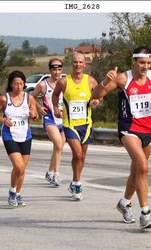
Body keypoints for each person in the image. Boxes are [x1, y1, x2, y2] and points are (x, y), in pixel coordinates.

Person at [91, 46, 151, 229]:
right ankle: (145, 213)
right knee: (143, 167)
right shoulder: (123, 78)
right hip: (129, 129)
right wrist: (105, 81)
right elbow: (97, 95)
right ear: (134, 62)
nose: (145, 66)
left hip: (149, 131)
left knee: (136, 171)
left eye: (148, 63)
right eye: (142, 63)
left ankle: (124, 202)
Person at [52, 52, 101, 200]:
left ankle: (74, 180)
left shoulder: (91, 81)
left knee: (81, 157)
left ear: (85, 64)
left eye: (81, 62)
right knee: (78, 154)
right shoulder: (64, 82)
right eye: (75, 62)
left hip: (86, 124)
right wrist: (55, 107)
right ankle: (78, 184)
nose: (78, 65)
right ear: (72, 64)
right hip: (70, 124)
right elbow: (55, 95)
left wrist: (96, 101)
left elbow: (99, 94)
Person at [0, 70, 38, 207]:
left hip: (25, 135)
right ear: (11, 84)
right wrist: (3, 120)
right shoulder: (4, 99)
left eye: (21, 84)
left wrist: (33, 115)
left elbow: (35, 114)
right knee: (19, 166)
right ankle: (12, 191)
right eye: (16, 84)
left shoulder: (29, 98)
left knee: (22, 169)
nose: (18, 86)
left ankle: (17, 194)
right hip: (9, 135)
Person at [31, 58, 66, 187]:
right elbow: (30, 97)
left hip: (63, 118)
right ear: (50, 70)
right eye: (54, 70)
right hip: (49, 117)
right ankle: (56, 175)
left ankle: (50, 172)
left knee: (59, 147)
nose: (57, 72)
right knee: (57, 143)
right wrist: (39, 108)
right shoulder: (43, 85)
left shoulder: (65, 83)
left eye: (59, 70)